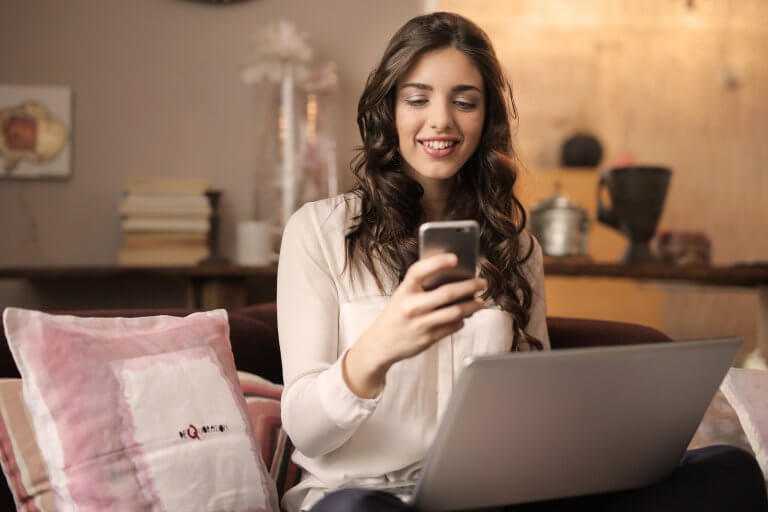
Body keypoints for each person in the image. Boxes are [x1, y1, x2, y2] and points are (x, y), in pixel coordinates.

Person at [276, 11, 767, 512]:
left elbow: (532, 407)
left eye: (464, 102)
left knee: (730, 470)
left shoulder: (516, 247)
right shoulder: (319, 233)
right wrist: (377, 349)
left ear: (485, 118)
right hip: (364, 497)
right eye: (418, 99)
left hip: (489, 496)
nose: (441, 120)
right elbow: (308, 432)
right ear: (389, 111)